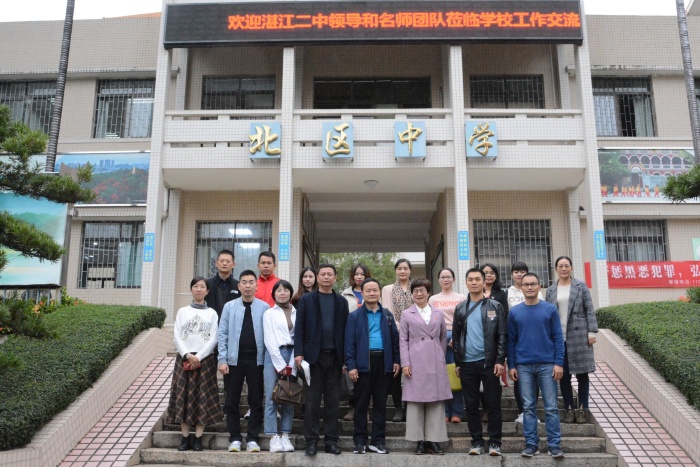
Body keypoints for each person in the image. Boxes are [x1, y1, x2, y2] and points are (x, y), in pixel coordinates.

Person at [294, 264, 350, 456]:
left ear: (335, 278)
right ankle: (311, 441)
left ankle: (331, 441)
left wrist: (346, 359)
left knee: (333, 402)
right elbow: (299, 327)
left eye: (329, 274)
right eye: (323, 274)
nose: (326, 277)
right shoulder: (306, 300)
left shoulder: (341, 301)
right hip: (313, 358)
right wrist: (299, 353)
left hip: (335, 358)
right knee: (312, 401)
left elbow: (345, 331)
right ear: (317, 278)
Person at [508, 273, 565, 459]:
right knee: (528, 407)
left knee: (551, 407)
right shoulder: (515, 312)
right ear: (521, 288)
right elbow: (511, 340)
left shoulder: (549, 309)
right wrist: (512, 365)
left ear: (539, 286)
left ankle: (554, 445)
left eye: (533, 284)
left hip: (547, 364)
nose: (530, 287)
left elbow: (558, 337)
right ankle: (531, 444)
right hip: (523, 366)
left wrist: (559, 362)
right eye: (526, 284)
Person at [452, 268, 506, 457]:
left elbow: (502, 335)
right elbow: (456, 337)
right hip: (467, 363)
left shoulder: (495, 306)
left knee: (493, 404)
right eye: (470, 279)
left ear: (484, 282)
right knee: (471, 405)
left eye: (477, 279)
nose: (474, 282)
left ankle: (495, 442)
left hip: (489, 363)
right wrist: (458, 362)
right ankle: (476, 441)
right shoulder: (460, 308)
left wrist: (500, 360)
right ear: (466, 282)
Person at [345, 278, 400, 455]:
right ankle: (360, 441)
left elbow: (395, 340)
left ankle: (378, 441)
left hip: (383, 363)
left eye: (375, 290)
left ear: (379, 292)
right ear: (362, 293)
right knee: (361, 405)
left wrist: (396, 360)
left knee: (380, 405)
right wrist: (351, 366)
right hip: (363, 365)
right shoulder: (354, 316)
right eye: (368, 290)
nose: (372, 293)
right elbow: (349, 343)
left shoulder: (387, 315)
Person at [166, 277, 221, 452]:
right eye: (195, 286)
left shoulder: (212, 313)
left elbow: (214, 338)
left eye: (202, 287)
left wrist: (199, 356)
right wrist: (188, 355)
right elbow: (176, 336)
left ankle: (198, 438)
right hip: (184, 359)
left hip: (205, 361)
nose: (199, 289)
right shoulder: (182, 311)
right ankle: (185, 438)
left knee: (201, 397)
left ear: (207, 291)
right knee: (183, 397)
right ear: (191, 290)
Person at [218, 270, 269, 453]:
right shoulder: (229, 307)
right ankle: (235, 439)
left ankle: (253, 439)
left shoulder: (264, 307)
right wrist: (222, 359)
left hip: (257, 361)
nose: (247, 285)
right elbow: (222, 334)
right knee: (231, 401)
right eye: (244, 282)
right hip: (234, 361)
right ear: (239, 286)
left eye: (251, 282)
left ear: (256, 285)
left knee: (256, 401)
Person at [400, 278, 452, 456]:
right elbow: (403, 340)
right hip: (414, 360)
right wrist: (405, 363)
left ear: (428, 292)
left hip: (435, 360)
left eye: (422, 290)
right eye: (415, 291)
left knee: (435, 402)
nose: (419, 293)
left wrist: (439, 356)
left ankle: (434, 440)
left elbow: (443, 337)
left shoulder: (438, 313)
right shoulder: (407, 314)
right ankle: (419, 441)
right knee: (416, 401)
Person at [545, 256, 598, 424]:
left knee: (582, 375)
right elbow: (547, 314)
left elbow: (589, 309)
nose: (563, 269)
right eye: (560, 266)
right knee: (564, 375)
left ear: (571, 268)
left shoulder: (580, 286)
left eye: (566, 265)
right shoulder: (551, 290)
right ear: (556, 269)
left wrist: (592, 331)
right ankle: (568, 409)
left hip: (579, 336)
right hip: (559, 337)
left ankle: (582, 409)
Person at [262, 280, 297, 452]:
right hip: (273, 355)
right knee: (272, 396)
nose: (282, 293)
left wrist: (291, 363)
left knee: (289, 396)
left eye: (286, 290)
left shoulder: (297, 312)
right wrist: (280, 363)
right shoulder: (269, 313)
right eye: (279, 290)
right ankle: (273, 436)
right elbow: (269, 339)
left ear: (290, 293)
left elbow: (299, 337)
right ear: (274, 294)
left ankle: (285, 435)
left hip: (293, 355)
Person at [428, 267, 466, 423]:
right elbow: (430, 320)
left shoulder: (461, 297)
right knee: (442, 374)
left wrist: (457, 338)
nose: (445, 279)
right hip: (439, 337)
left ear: (454, 279)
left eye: (448, 276)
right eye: (442, 277)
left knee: (456, 373)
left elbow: (464, 320)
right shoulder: (433, 299)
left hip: (456, 336)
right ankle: (444, 411)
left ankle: (457, 412)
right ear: (438, 280)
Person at [507, 261, 543, 425]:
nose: (519, 274)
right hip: (516, 339)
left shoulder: (538, 293)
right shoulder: (508, 292)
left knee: (534, 380)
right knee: (518, 377)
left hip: (535, 341)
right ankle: (522, 410)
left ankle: (532, 411)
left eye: (522, 271)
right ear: (512, 274)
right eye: (516, 271)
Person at [381, 258, 414, 422]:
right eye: (399, 268)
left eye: (405, 268)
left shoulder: (416, 287)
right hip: (394, 333)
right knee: (396, 371)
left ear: (410, 270)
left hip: (415, 335)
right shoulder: (387, 289)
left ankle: (410, 407)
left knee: (412, 372)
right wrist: (401, 326)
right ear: (396, 270)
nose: (402, 271)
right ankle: (398, 408)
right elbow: (387, 312)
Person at [340, 263, 371, 421]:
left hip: (369, 338)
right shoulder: (345, 295)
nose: (359, 277)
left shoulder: (372, 291)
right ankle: (352, 408)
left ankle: (365, 409)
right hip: (351, 337)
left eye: (362, 274)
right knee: (351, 374)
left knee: (366, 376)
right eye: (356, 274)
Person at [481, 263, 509, 388]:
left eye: (492, 273)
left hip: (496, 333)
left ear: (496, 276)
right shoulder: (475, 292)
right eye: (486, 273)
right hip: (479, 335)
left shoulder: (501, 294)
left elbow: (505, 314)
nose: (489, 275)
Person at [204, 249, 241, 321]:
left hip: (232, 323)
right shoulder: (207, 284)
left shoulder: (238, 285)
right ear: (216, 263)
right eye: (222, 261)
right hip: (211, 323)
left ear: (233, 264)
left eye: (228, 261)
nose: (224, 263)